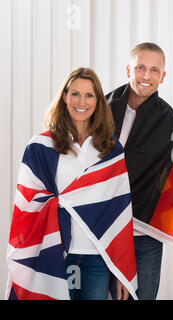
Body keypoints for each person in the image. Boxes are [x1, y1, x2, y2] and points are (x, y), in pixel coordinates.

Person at [7, 67, 137, 300]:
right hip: (55, 252)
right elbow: (27, 203)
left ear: (98, 100)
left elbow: (119, 211)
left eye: (89, 95)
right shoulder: (40, 146)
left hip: (97, 257)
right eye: (75, 93)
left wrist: (121, 273)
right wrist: (66, 201)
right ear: (65, 96)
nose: (81, 101)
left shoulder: (110, 149)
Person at [106, 42, 173, 300]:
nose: (146, 76)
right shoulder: (103, 109)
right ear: (129, 69)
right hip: (102, 228)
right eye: (141, 68)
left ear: (163, 76)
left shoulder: (168, 120)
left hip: (144, 234)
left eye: (154, 70)